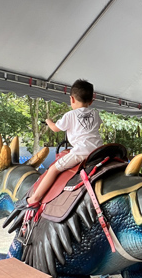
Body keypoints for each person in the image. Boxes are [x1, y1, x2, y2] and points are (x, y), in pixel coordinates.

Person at [27, 79, 101, 207]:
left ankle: (34, 198)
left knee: (53, 170)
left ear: (72, 99)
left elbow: (55, 129)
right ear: (91, 101)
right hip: (99, 150)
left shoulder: (70, 115)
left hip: (81, 152)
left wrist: (49, 121)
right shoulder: (95, 114)